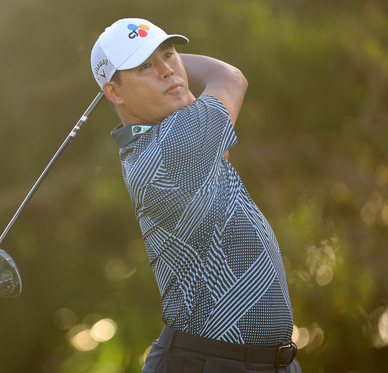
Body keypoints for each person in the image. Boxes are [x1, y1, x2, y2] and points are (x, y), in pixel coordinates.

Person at [90, 18, 302, 373]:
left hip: (264, 364)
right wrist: (174, 73)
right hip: (208, 364)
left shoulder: (165, 137)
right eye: (145, 66)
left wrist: (164, 72)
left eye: (170, 55)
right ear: (114, 93)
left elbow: (188, 95)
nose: (167, 70)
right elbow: (230, 78)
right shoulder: (174, 147)